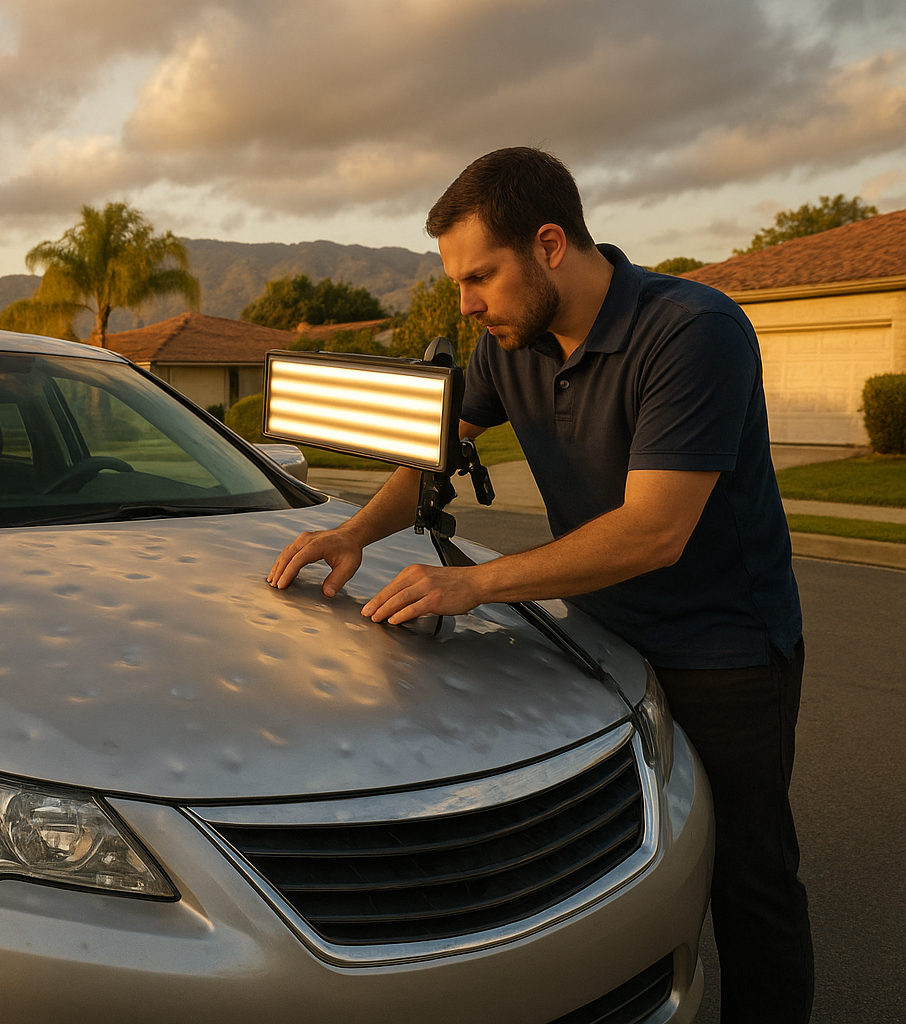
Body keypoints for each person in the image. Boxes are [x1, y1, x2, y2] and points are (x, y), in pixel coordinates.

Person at [267, 147, 810, 1023]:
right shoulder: (507, 346)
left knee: (749, 880)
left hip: (726, 652)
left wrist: (474, 585)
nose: (467, 304)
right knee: (616, 855)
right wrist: (353, 533)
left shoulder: (692, 331)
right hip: (594, 640)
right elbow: (437, 456)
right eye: (457, 282)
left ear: (550, 244)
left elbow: (656, 529)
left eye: (479, 275)